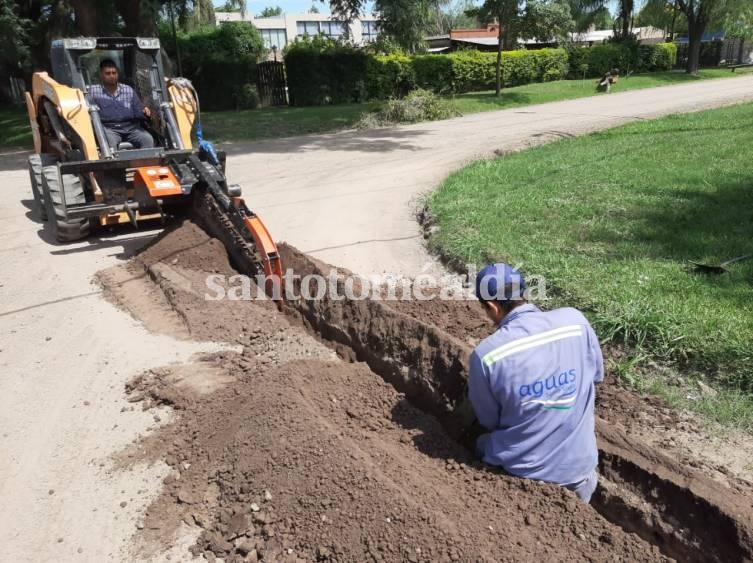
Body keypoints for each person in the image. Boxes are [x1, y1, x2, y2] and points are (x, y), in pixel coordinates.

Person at [467, 263, 604, 503]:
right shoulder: (576, 321)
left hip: (522, 477)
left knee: (480, 444)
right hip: (579, 470)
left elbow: (490, 421)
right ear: (524, 293)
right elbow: (597, 376)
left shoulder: (487, 355)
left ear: (492, 306)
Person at [88, 59, 154, 150]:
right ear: (101, 75)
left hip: (131, 128)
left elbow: (138, 110)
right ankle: (113, 163)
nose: (112, 76)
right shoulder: (93, 91)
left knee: (147, 139)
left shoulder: (128, 90)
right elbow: (88, 112)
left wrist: (145, 111)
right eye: (108, 73)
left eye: (114, 73)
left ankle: (146, 162)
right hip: (109, 129)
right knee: (108, 143)